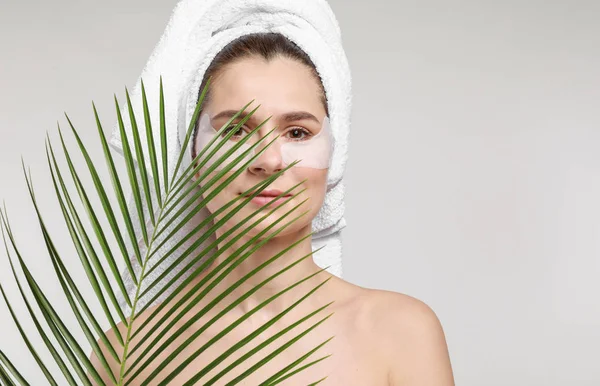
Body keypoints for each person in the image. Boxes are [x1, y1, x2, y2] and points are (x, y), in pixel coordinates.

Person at [91, 3, 455, 386]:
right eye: (235, 132)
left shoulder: (400, 334)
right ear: (193, 155)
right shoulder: (129, 351)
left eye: (297, 132)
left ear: (336, 153)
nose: (268, 160)